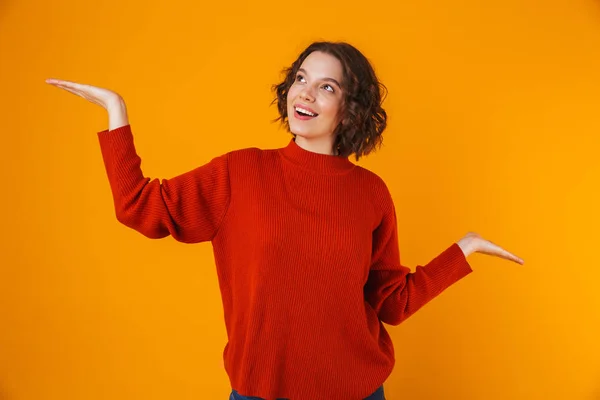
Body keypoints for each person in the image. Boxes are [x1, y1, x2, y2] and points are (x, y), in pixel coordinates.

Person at [46, 41, 524, 400]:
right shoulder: (240, 172)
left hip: (357, 392)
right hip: (260, 392)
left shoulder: (370, 193)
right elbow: (140, 207)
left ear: (349, 109)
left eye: (327, 86)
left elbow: (391, 303)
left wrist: (464, 250)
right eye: (301, 78)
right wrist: (116, 111)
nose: (306, 93)